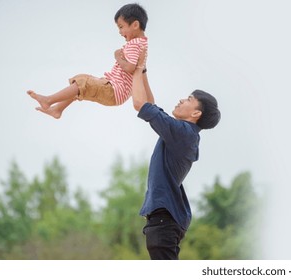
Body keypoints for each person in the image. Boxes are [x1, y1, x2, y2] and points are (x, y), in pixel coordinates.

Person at [131, 49, 221, 259]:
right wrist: (142, 70)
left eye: (189, 99)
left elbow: (139, 104)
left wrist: (134, 71)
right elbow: (150, 106)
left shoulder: (183, 133)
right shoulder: (181, 133)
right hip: (164, 220)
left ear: (196, 113)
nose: (181, 100)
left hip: (165, 220)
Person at [27, 3, 149, 119]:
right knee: (81, 83)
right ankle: (57, 109)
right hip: (112, 86)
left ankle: (48, 100)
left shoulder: (136, 44)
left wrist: (117, 57)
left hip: (114, 91)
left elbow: (130, 68)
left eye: (121, 27)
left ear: (135, 25)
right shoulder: (140, 44)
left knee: (83, 82)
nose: (120, 32)